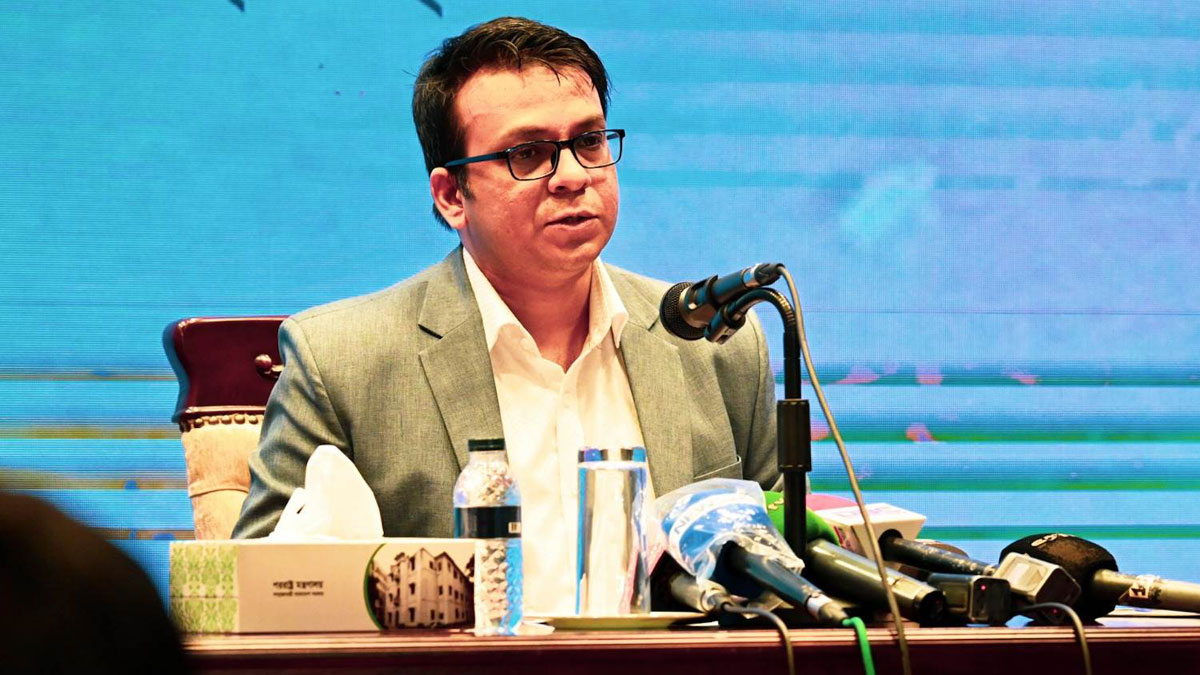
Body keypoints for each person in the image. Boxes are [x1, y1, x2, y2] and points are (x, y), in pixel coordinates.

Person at [233, 16, 779, 615]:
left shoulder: (716, 342)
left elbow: (789, 572)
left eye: (590, 142)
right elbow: (257, 598)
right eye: (529, 154)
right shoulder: (340, 362)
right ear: (451, 195)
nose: (574, 177)